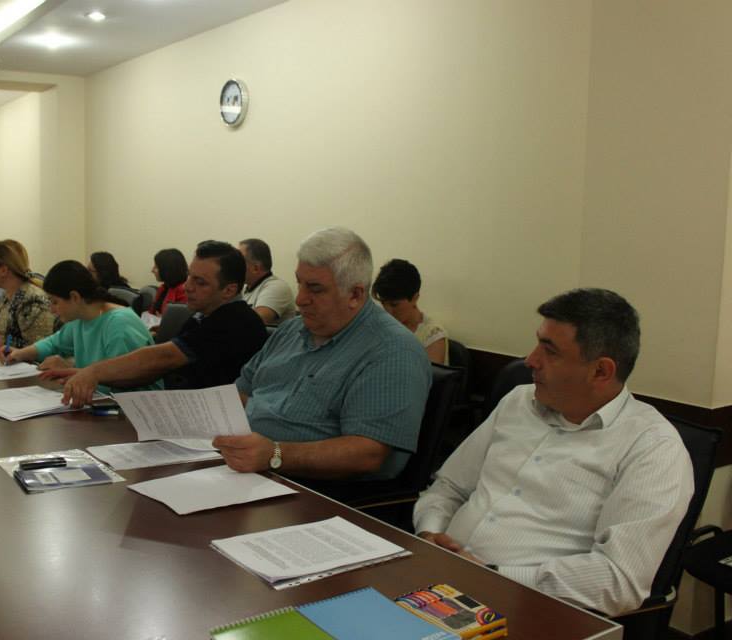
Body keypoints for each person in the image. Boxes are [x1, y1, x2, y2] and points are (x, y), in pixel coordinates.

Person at [412, 288, 694, 616]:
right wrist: (431, 533)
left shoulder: (652, 448)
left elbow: (618, 580)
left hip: (527, 609)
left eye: (550, 351)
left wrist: (490, 576)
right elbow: (448, 486)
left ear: (601, 371)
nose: (530, 360)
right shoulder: (518, 401)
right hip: (437, 577)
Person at [212, 228, 432, 481]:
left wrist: (275, 454)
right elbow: (242, 392)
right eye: (299, 283)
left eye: (315, 289)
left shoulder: (392, 351)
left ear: (355, 294)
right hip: (240, 465)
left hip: (309, 487)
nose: (300, 299)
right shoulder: (291, 330)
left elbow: (368, 453)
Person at [57, 241, 267, 403]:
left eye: (200, 282)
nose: (188, 287)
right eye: (190, 277)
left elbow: (163, 358)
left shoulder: (235, 321)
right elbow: (154, 371)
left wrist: (94, 372)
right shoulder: (203, 315)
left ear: (229, 290)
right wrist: (88, 374)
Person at [1, 260, 160, 392]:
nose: (51, 309)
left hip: (133, 408)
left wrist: (71, 371)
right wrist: (19, 354)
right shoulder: (80, 318)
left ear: (75, 297)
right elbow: (54, 343)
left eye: (55, 302)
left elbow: (122, 381)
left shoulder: (119, 324)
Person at [0, 240, 56, 349]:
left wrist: (0, 342)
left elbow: (41, 347)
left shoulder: (33, 301)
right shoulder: (7, 295)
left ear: (3, 270)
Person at [372, 259, 448, 364]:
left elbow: (430, 374)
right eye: (384, 303)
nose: (388, 311)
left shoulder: (432, 335)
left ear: (414, 298)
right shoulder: (382, 326)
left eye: (394, 305)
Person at [239, 238, 295, 324]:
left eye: (238, 261)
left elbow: (254, 322)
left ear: (255, 268)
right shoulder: (243, 289)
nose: (233, 265)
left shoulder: (277, 287)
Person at [148, 248, 188, 315]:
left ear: (167, 269)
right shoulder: (163, 287)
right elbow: (151, 312)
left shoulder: (184, 291)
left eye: (156, 267)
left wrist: (162, 319)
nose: (152, 270)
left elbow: (177, 318)